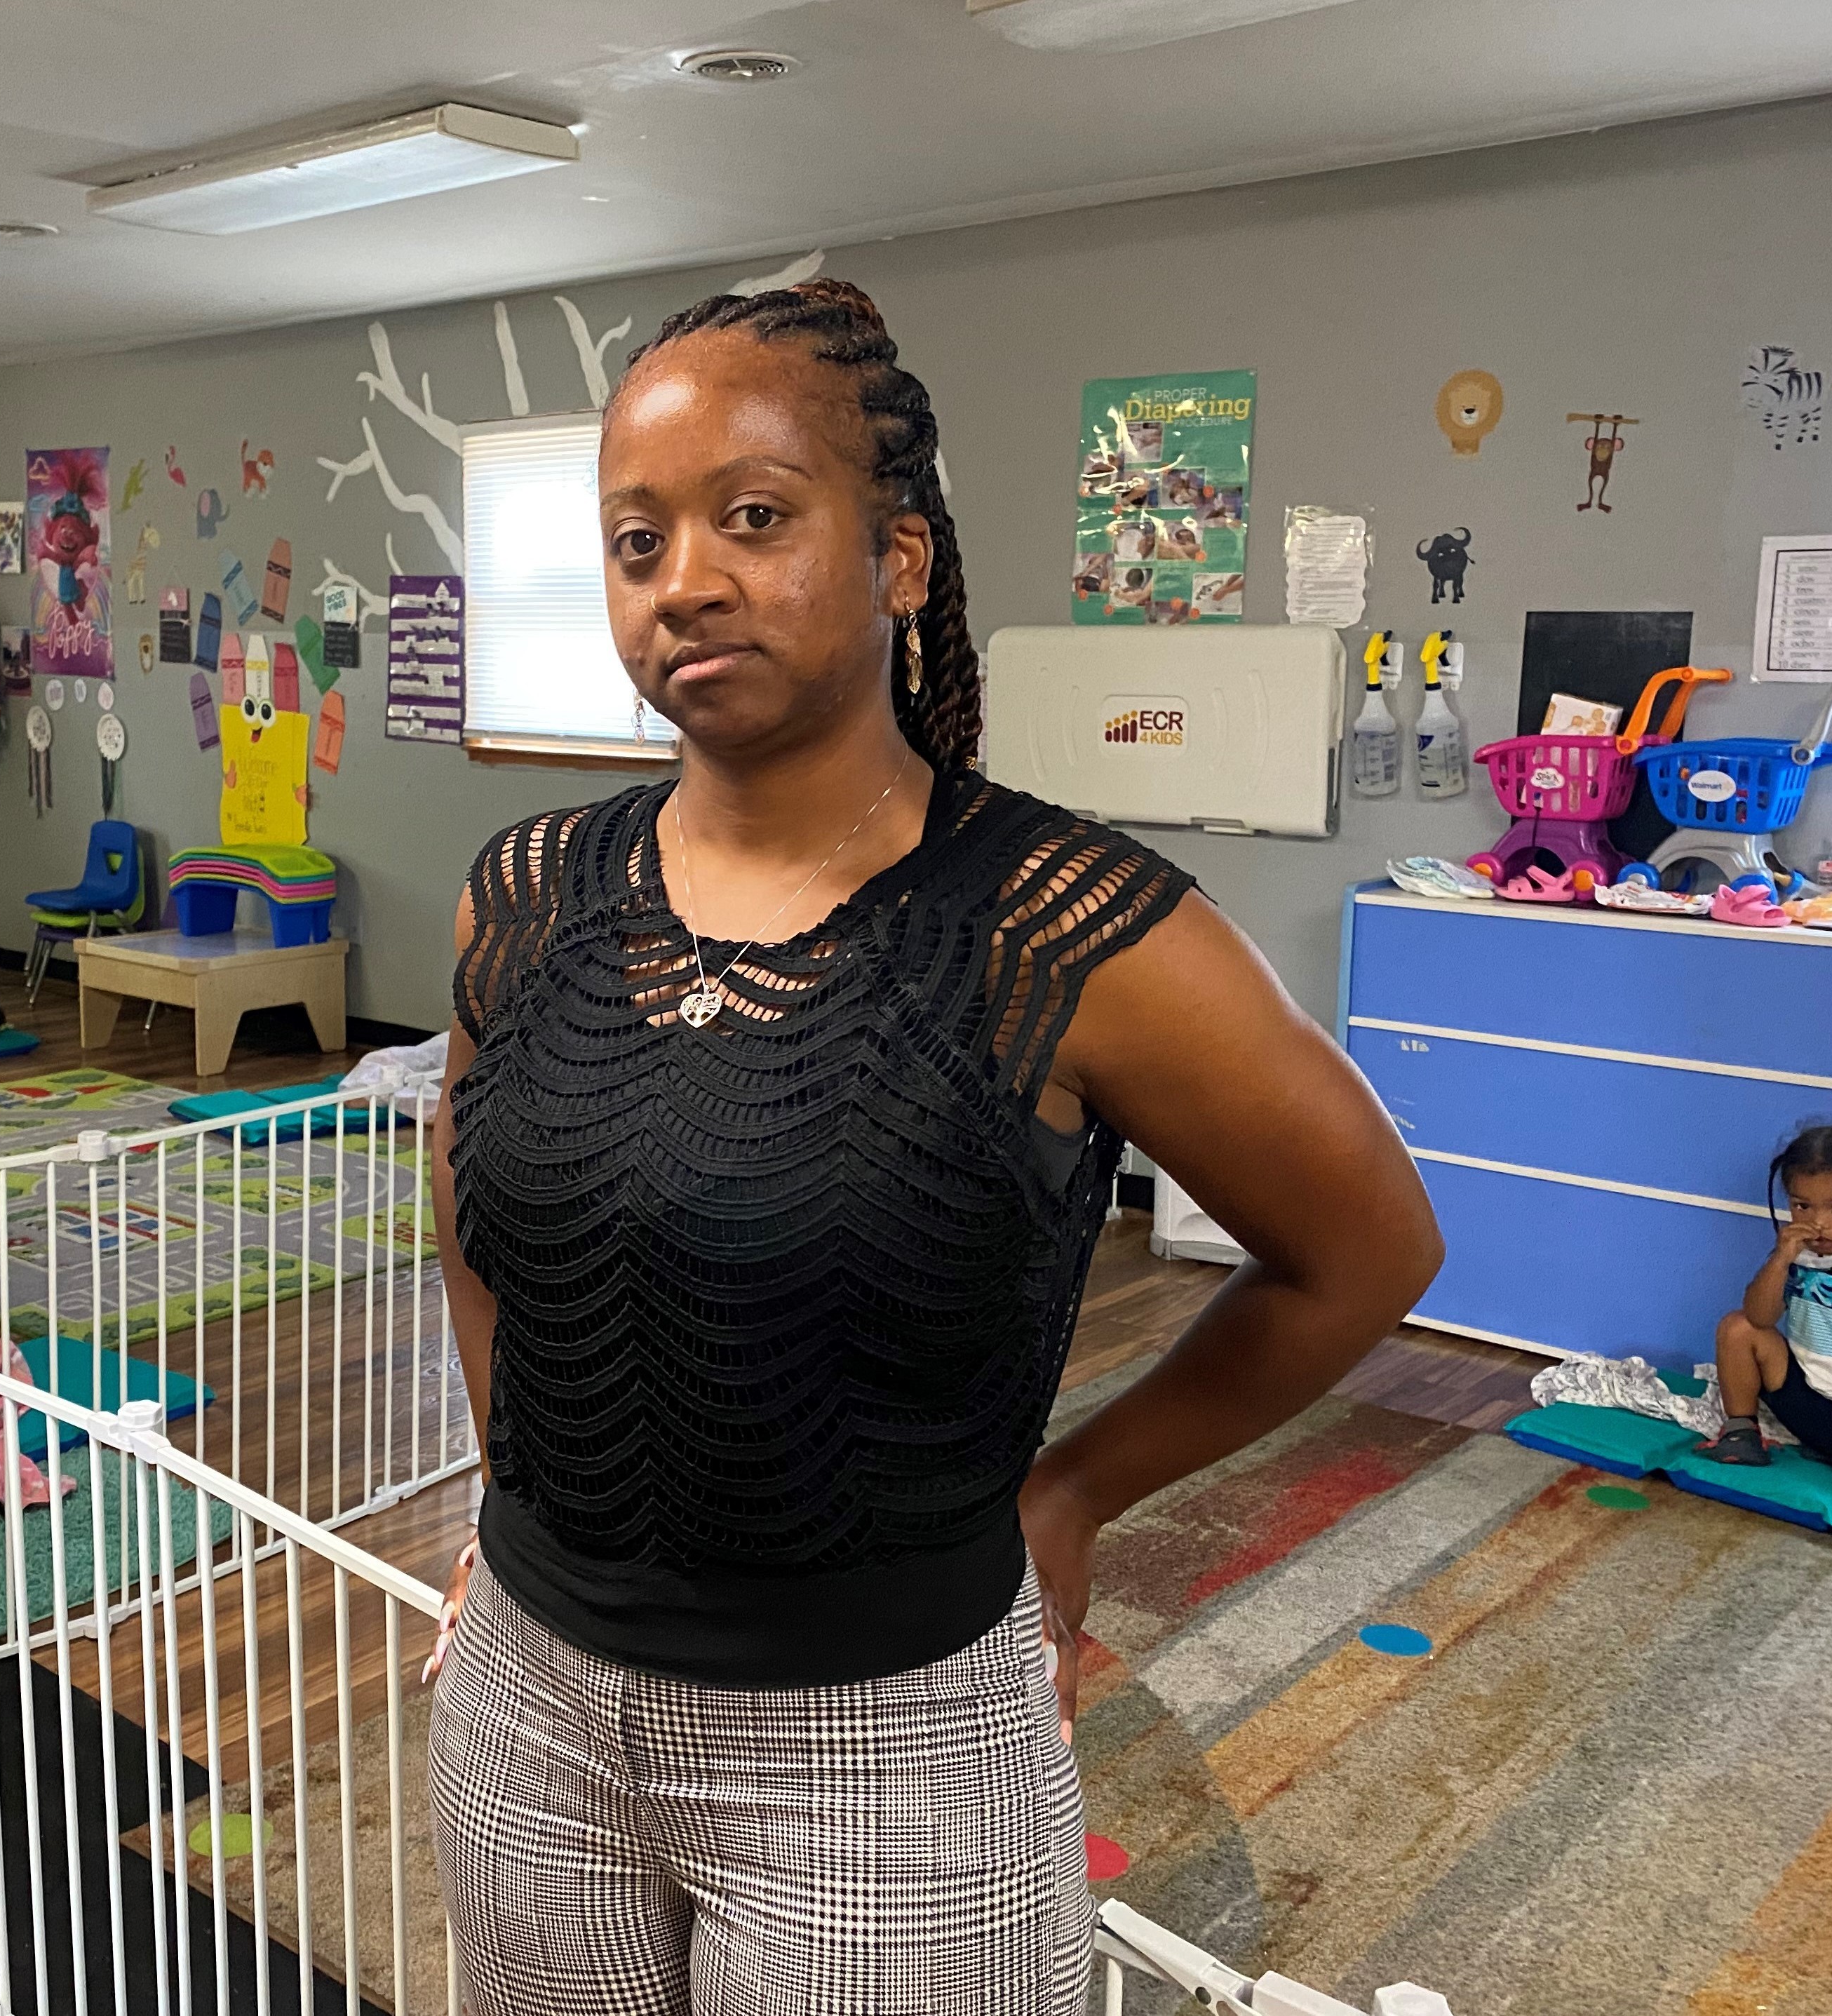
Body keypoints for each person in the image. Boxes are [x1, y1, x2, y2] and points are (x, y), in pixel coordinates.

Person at [425, 276, 1441, 2015]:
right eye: (634, 538)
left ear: (898, 558)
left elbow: (1365, 1249)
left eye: (752, 516)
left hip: (885, 1753)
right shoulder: (526, 893)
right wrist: (502, 1502)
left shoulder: (1066, 930)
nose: (685, 579)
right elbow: (476, 1218)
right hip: (525, 1712)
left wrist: (1075, 1485)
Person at [1701, 1124, 1832, 1517]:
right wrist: (1781, 1258)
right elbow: (1760, 1317)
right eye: (1802, 1206)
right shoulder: (1799, 1259)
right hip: (1808, 1398)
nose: (1819, 1223)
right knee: (1737, 1328)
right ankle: (1741, 1434)